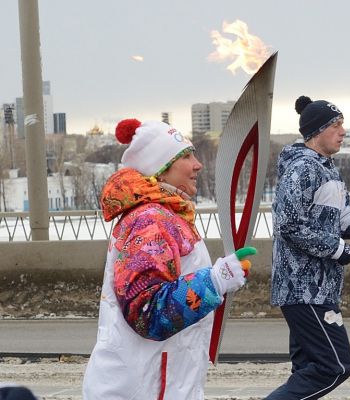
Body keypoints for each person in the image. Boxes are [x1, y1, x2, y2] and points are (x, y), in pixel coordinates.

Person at [82, 119, 254, 399]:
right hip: (142, 387)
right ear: (160, 169)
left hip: (160, 381)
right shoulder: (151, 221)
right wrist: (215, 280)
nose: (197, 164)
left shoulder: (168, 217)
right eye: (186, 156)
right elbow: (147, 312)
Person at [266, 96, 350, 399]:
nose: (343, 130)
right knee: (334, 366)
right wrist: (338, 250)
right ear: (316, 131)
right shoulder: (302, 170)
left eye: (342, 124)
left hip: (321, 288)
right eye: (336, 124)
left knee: (307, 370)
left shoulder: (328, 170)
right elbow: (290, 225)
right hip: (302, 289)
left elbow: (342, 222)